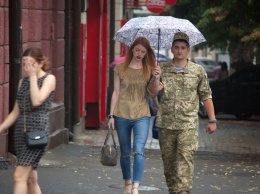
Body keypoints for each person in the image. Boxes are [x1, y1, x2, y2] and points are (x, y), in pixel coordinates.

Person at [147, 32, 217, 194]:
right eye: (176, 47)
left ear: (188, 50)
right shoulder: (161, 69)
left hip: (188, 125)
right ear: (171, 49)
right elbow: (151, 93)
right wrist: (155, 79)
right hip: (166, 125)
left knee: (185, 162)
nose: (179, 51)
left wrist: (212, 120)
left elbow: (206, 95)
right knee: (170, 166)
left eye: (183, 48)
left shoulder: (197, 71)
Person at [0, 47, 56, 194]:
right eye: (24, 63)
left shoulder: (49, 79)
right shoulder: (22, 82)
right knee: (30, 180)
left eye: (31, 63)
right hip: (21, 134)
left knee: (19, 176)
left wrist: (32, 77)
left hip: (37, 134)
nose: (27, 67)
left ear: (40, 62)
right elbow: (15, 112)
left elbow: (37, 100)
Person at [107, 37, 156, 194]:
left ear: (146, 53)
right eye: (137, 50)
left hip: (142, 114)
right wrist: (111, 115)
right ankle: (127, 182)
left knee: (139, 150)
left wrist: (156, 77)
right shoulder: (120, 68)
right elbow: (116, 92)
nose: (139, 54)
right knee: (125, 151)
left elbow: (153, 94)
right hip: (122, 114)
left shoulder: (149, 69)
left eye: (143, 51)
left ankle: (136, 185)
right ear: (132, 50)